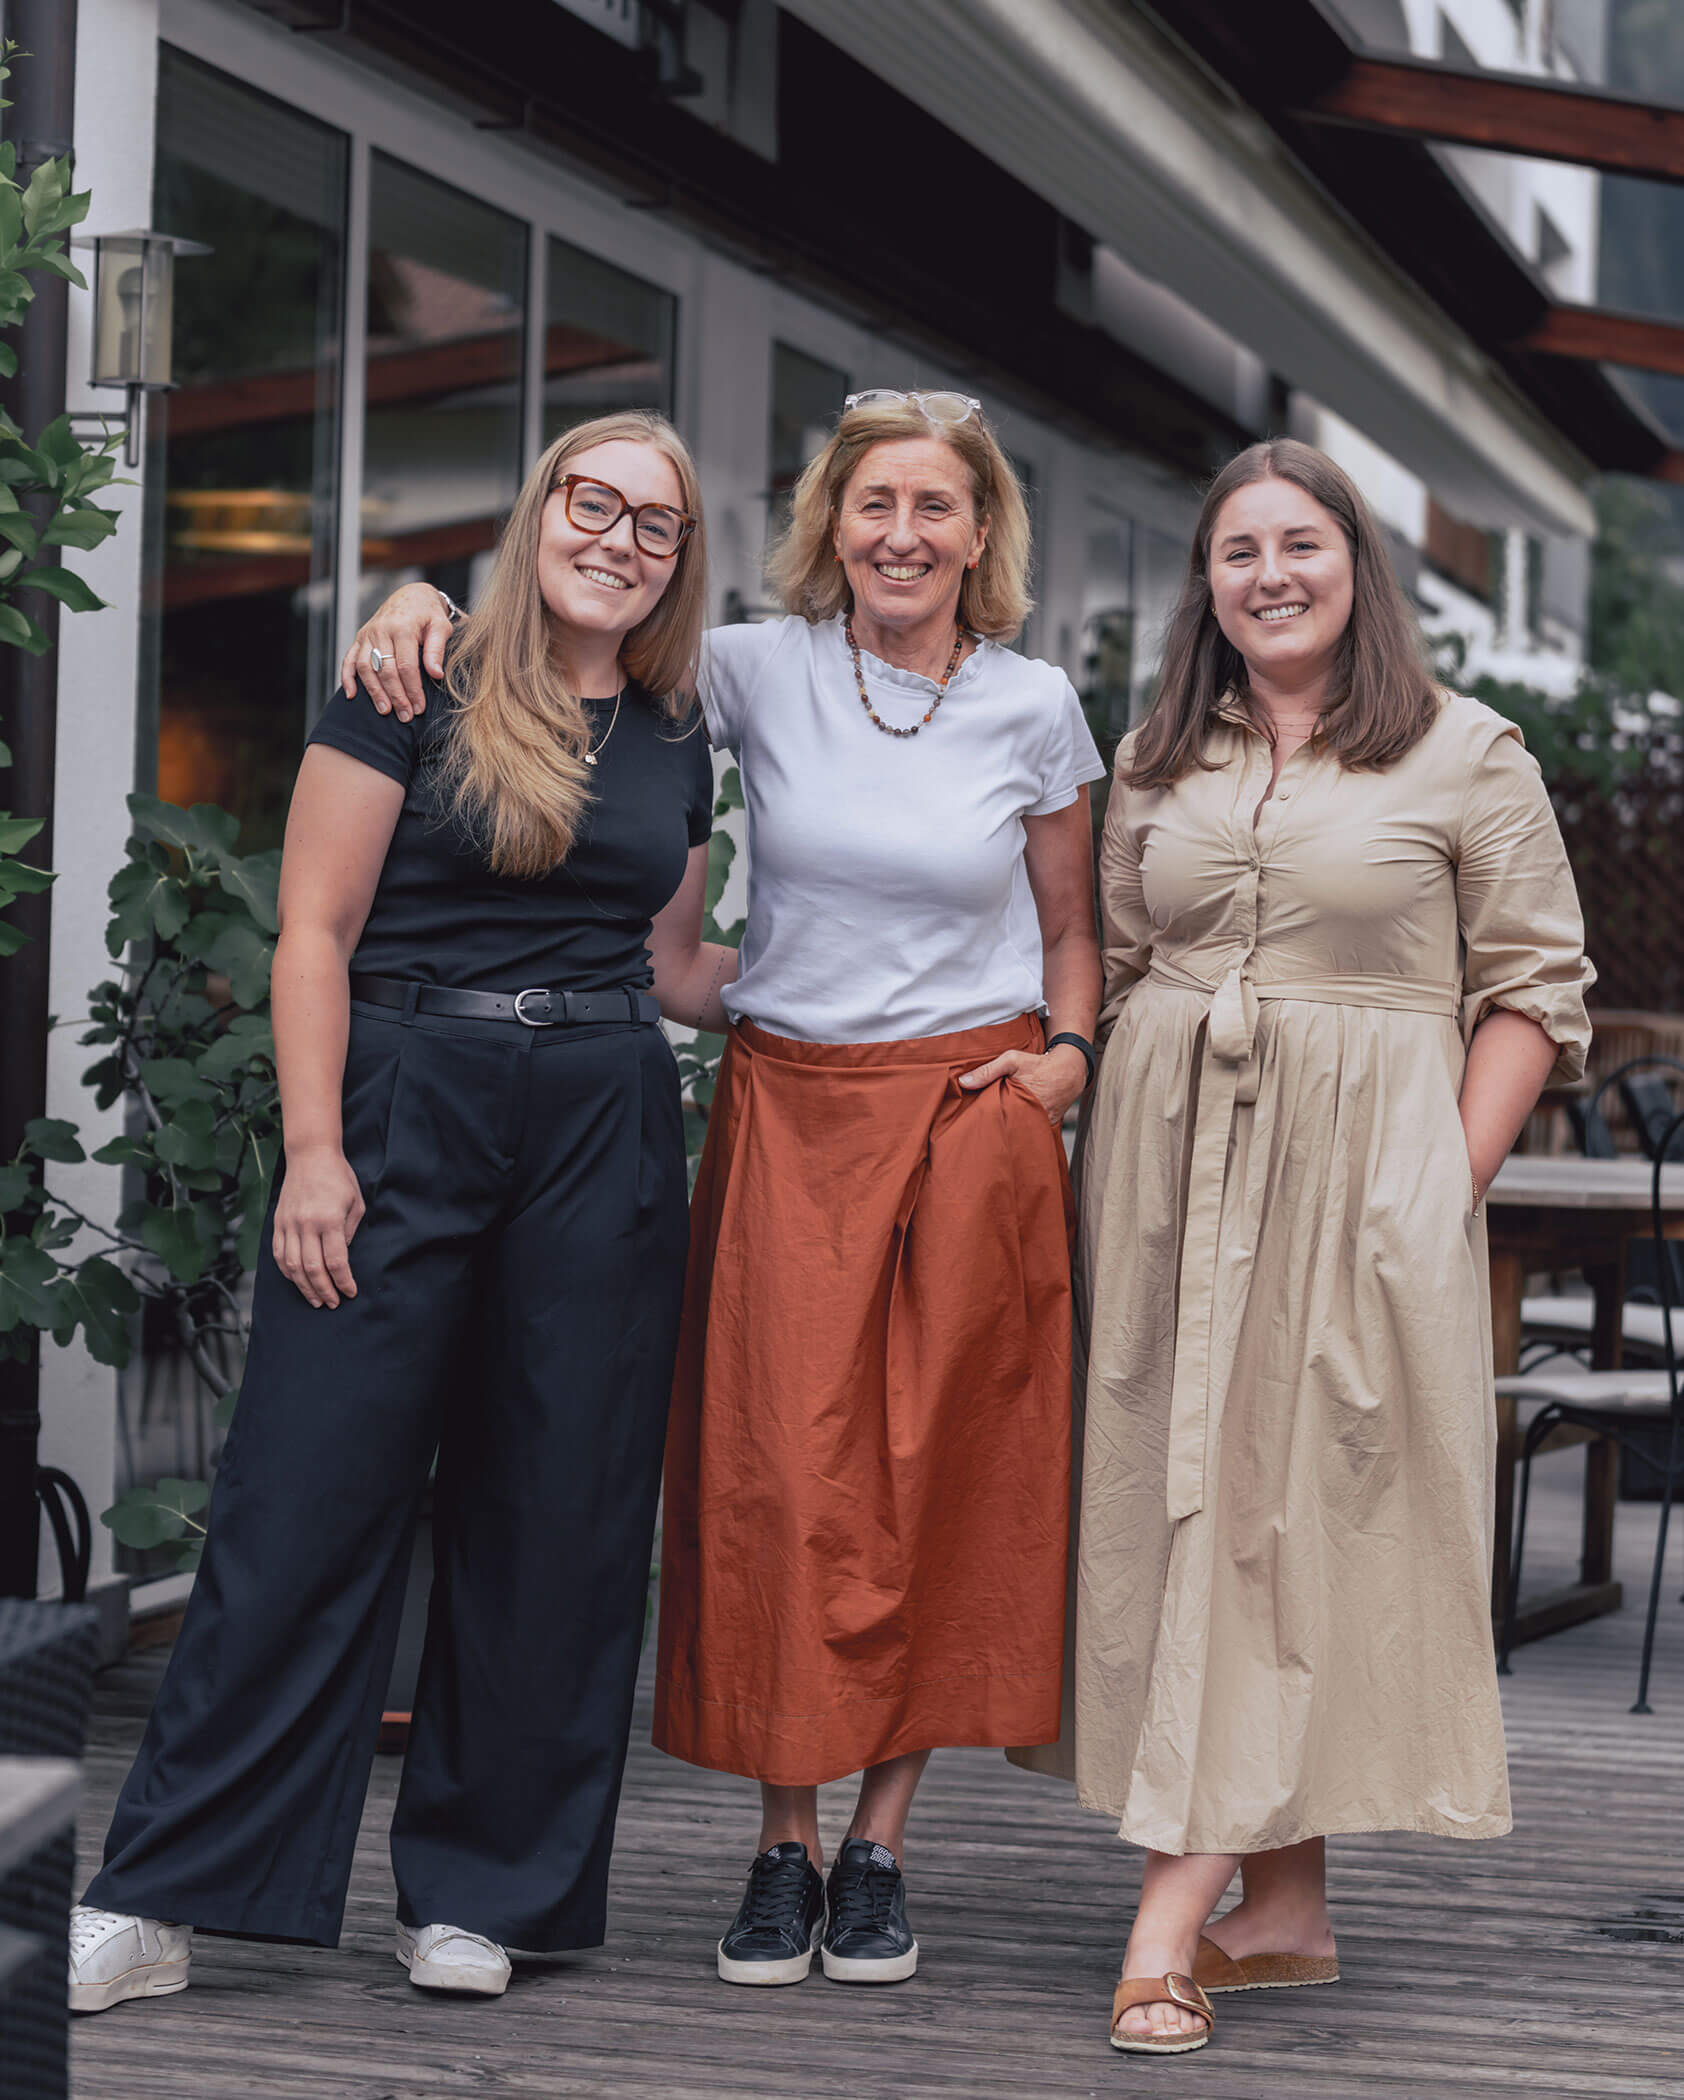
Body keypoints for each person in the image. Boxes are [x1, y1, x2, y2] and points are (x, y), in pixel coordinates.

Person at [342, 387, 1104, 1990]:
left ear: (982, 532)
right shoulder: (748, 669)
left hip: (972, 1112)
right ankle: (782, 1845)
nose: (902, 533)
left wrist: (1068, 1061)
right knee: (775, 1474)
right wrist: (414, 599)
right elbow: (571, 643)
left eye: (935, 507)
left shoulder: (1036, 706)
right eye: (873, 503)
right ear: (831, 523)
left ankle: (880, 1846)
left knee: (941, 1474)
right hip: (791, 1108)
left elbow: (1070, 931)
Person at [69, 412, 735, 2012]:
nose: (618, 539)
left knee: (559, 1516)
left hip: (603, 1117)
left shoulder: (671, 729)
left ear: (679, 561)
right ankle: (163, 1895)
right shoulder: (411, 677)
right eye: (593, 503)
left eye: (654, 524)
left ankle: (480, 1899)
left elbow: (675, 965)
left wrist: (911, 976)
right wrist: (314, 1150)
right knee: (303, 1497)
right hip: (402, 1097)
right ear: (540, 510)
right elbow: (314, 927)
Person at [1033, 437, 1593, 2056]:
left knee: (1289, 1516)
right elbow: (1114, 961)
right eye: (1239, 551)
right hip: (1166, 1179)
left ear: (1358, 565)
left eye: (1300, 544)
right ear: (1206, 583)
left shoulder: (1467, 754)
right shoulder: (1157, 757)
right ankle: (1283, 1908)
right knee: (1196, 1510)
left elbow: (1534, 989)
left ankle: (1163, 1926)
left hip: (1360, 1185)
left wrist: (1437, 1186)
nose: (1270, 574)